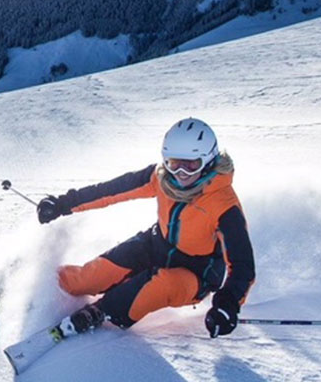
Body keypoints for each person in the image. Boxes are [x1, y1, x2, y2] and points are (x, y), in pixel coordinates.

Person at [34, 117, 254, 338]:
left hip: (196, 275)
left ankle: (101, 311)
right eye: (174, 163)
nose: (181, 174)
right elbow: (112, 190)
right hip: (155, 245)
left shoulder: (223, 204)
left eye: (191, 166)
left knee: (158, 285)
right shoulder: (160, 178)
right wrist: (63, 204)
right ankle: (43, 287)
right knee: (88, 278)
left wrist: (228, 303)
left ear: (208, 161)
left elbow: (242, 264)